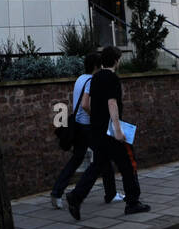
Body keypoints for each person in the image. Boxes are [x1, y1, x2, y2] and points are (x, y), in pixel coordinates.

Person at [66, 46, 151, 219]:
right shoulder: (112, 78)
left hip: (97, 131)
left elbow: (86, 103)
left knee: (97, 165)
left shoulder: (94, 78)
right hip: (111, 131)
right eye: (118, 59)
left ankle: (75, 197)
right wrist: (118, 130)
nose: (119, 62)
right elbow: (112, 103)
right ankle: (133, 203)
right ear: (115, 61)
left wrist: (97, 119)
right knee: (128, 163)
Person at [50, 51, 120, 208]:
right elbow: (85, 105)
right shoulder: (91, 80)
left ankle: (56, 192)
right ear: (96, 65)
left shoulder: (80, 79)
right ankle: (111, 194)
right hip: (88, 126)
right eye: (100, 64)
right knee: (104, 157)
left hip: (79, 125)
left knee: (77, 159)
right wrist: (96, 117)